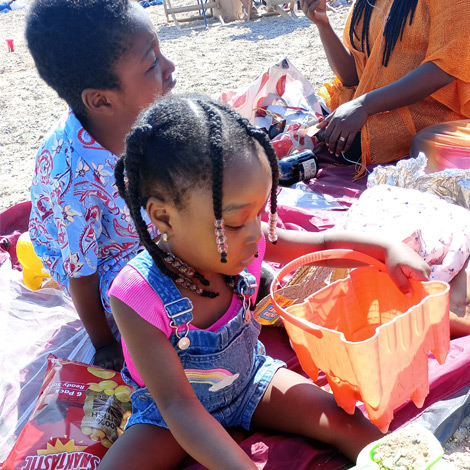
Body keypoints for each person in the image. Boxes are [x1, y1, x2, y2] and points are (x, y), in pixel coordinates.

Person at [98, 93, 430, 470]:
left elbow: (322, 242)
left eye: (262, 211)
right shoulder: (135, 295)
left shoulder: (249, 243)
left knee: (344, 419)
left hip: (250, 382)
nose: (258, 233)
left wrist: (387, 249)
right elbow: (180, 408)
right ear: (163, 217)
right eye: (238, 221)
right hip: (169, 414)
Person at [25, 0, 175, 370]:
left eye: (160, 50)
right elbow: (82, 272)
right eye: (152, 63)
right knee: (154, 299)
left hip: (132, 227)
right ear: (102, 100)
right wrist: (103, 343)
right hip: (100, 256)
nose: (170, 67)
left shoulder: (142, 115)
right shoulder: (73, 172)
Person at [301, 0, 470, 169]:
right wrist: (323, 25)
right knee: (309, 124)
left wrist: (364, 105)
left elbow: (441, 71)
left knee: (347, 144)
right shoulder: (366, 3)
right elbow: (352, 78)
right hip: (372, 101)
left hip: (432, 109)